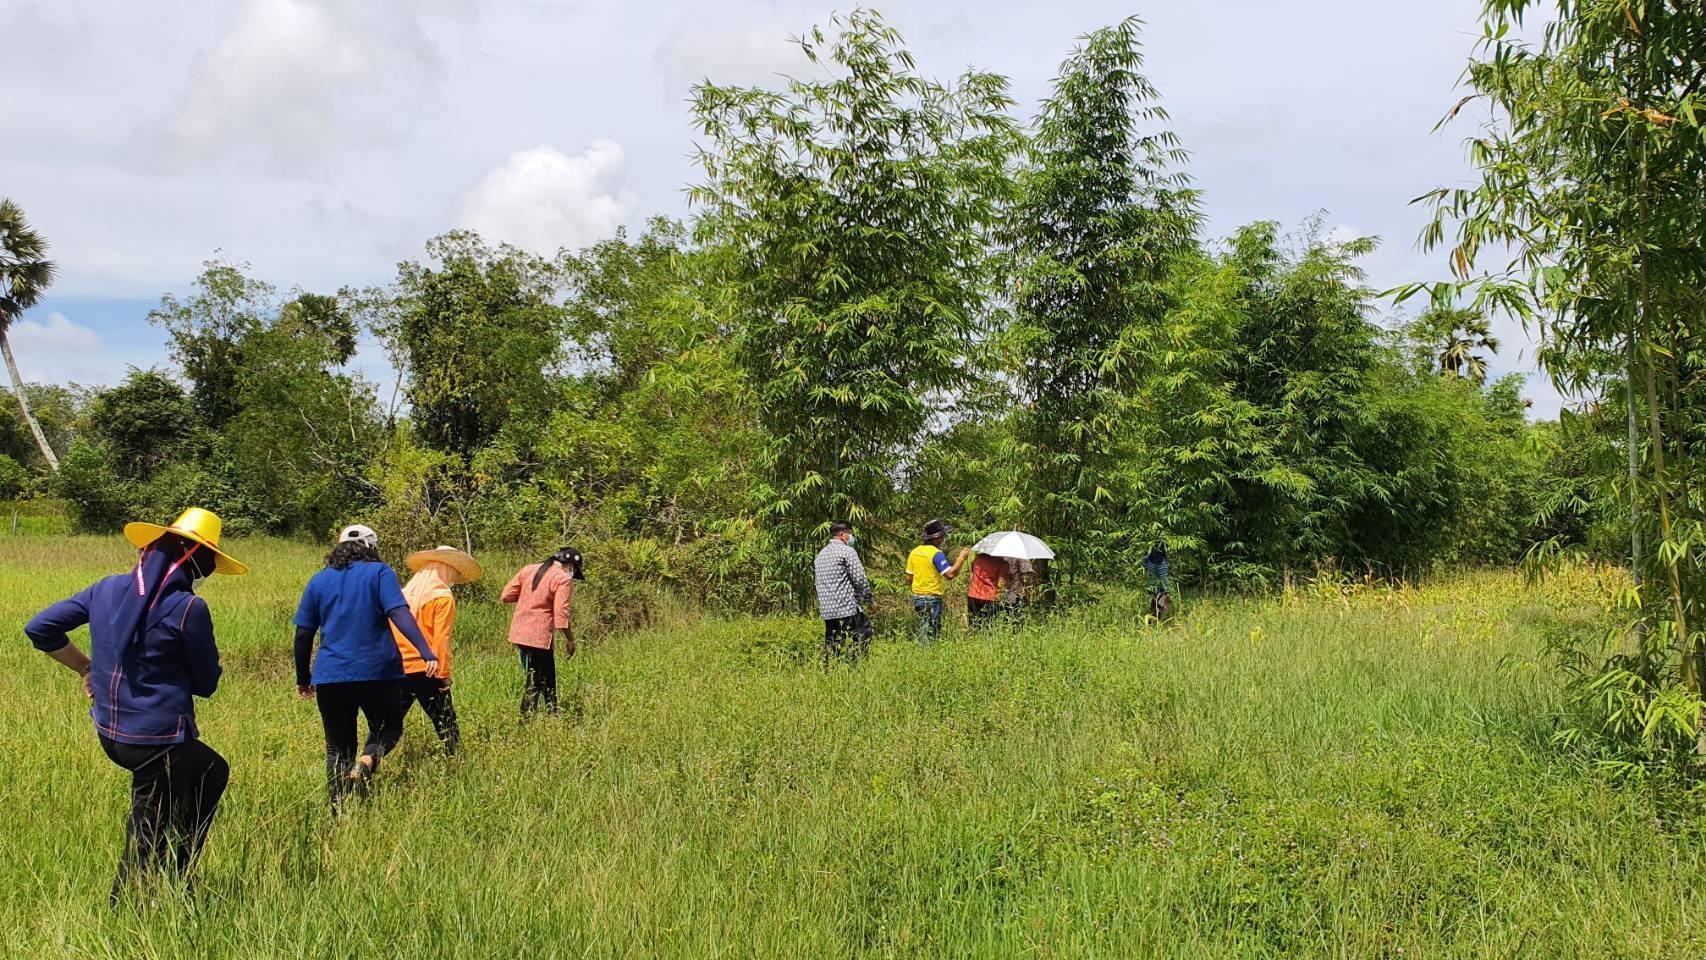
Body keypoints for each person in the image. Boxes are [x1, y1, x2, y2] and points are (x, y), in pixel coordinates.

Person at [24, 507, 246, 904]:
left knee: (209, 772)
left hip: (111, 733)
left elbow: (40, 628)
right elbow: (207, 683)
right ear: (193, 558)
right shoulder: (188, 609)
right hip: (156, 740)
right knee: (149, 822)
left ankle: (175, 875)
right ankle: (131, 902)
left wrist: (85, 668)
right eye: (208, 558)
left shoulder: (105, 588)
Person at [293, 524, 440, 811]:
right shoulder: (380, 572)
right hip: (378, 672)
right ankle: (367, 761)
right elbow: (398, 612)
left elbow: (303, 633)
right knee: (389, 728)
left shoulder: (319, 580)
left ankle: (338, 811)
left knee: (337, 748)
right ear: (371, 547)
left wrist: (303, 677)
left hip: (331, 676)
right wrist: (426, 652)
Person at [390, 545, 482, 756]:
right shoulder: (442, 597)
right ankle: (458, 764)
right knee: (446, 721)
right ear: (446, 569)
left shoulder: (403, 595)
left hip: (398, 666)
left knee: (388, 724)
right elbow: (441, 639)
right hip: (428, 668)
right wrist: (443, 675)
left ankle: (367, 761)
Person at [501, 546, 582, 716]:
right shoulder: (562, 579)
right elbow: (561, 616)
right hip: (538, 636)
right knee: (536, 679)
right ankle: (526, 719)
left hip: (519, 632)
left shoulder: (528, 569)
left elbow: (506, 595)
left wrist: (528, 598)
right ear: (569, 565)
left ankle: (552, 711)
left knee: (547, 673)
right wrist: (571, 640)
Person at [813, 521, 873, 667]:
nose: (851, 537)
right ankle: (855, 665)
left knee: (833, 639)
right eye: (850, 534)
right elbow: (859, 578)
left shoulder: (821, 554)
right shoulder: (847, 552)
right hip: (846, 606)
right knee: (864, 632)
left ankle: (829, 669)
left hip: (828, 608)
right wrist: (869, 600)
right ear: (842, 535)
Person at [905, 519, 969, 645]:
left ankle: (926, 653)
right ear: (937, 538)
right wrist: (961, 558)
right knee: (932, 632)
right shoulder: (936, 554)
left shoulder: (915, 552)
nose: (942, 540)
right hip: (932, 597)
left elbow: (909, 579)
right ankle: (927, 656)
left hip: (917, 597)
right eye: (942, 537)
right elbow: (950, 574)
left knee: (924, 625)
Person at [965, 550, 1011, 628]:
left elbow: (973, 571)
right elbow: (1001, 584)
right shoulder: (1003, 563)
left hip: (973, 595)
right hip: (989, 597)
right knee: (989, 628)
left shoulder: (978, 558)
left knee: (974, 626)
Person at [1142, 541, 1173, 619]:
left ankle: (1150, 623)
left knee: (1153, 606)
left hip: (1150, 587)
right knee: (1160, 608)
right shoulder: (1162, 561)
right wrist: (1167, 591)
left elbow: (1143, 562)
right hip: (1160, 588)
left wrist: (1147, 568)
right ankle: (1157, 625)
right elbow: (1163, 578)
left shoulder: (1148, 558)